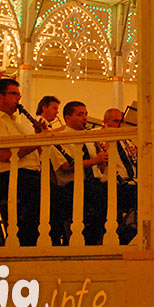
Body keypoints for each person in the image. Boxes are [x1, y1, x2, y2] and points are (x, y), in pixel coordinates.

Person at [0, 78, 41, 246]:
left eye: (19, 95)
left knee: (60, 193)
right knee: (51, 194)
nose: (18, 99)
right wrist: (37, 141)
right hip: (5, 177)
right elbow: (5, 156)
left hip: (24, 174)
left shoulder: (17, 124)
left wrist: (39, 139)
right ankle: (26, 244)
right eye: (14, 94)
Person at [48, 101, 108, 245]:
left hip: (92, 182)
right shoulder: (60, 138)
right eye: (80, 115)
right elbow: (66, 166)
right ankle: (89, 241)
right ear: (68, 118)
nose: (85, 118)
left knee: (115, 192)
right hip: (71, 185)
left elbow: (99, 167)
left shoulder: (89, 138)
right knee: (100, 196)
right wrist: (95, 160)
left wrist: (103, 158)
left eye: (86, 114)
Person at [93, 108, 138, 244]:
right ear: (105, 122)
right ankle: (123, 235)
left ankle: (133, 233)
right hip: (112, 183)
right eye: (116, 121)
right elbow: (101, 166)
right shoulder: (99, 137)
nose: (119, 125)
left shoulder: (126, 140)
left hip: (132, 181)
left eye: (121, 121)